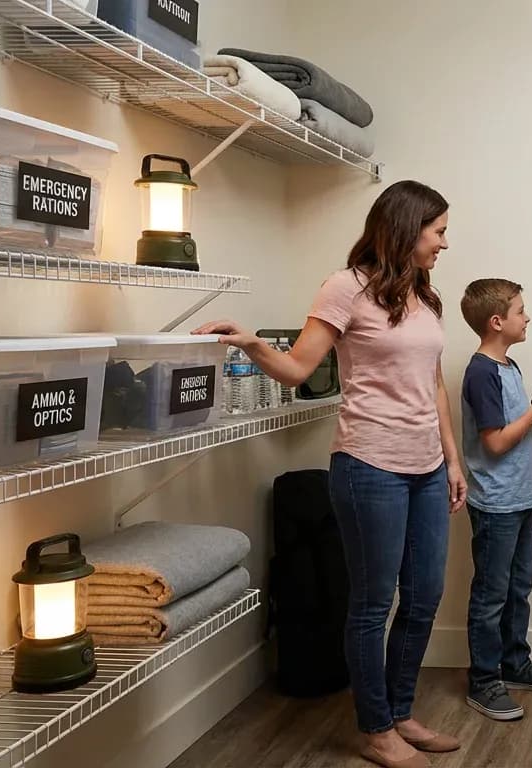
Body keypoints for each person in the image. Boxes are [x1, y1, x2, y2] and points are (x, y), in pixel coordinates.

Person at [195, 180, 465, 768]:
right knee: (372, 603)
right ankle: (374, 729)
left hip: (424, 466)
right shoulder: (345, 288)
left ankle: (400, 711)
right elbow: (297, 368)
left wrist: (452, 457)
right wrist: (248, 344)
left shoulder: (424, 295)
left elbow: (433, 384)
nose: (445, 242)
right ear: (406, 226)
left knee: (424, 598)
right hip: (369, 465)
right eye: (438, 231)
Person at [457, 278, 532, 721]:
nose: (528, 318)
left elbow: (511, 424)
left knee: (518, 589)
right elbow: (497, 444)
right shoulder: (481, 372)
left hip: (521, 497)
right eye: (521, 311)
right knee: (491, 596)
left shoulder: (508, 366)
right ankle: (484, 681)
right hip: (496, 503)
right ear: (497, 321)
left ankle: (514, 663)